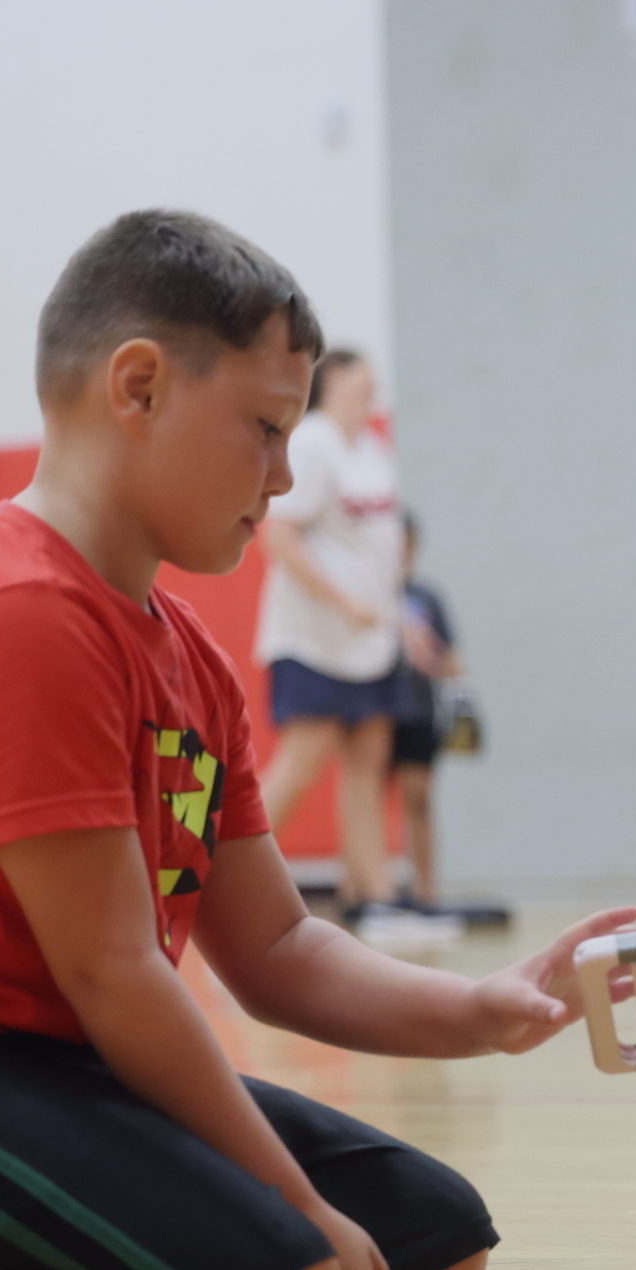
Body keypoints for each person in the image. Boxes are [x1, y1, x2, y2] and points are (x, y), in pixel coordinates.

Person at [0, 210, 636, 1270]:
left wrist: (477, 1009)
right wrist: (298, 1212)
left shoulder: (183, 652)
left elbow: (278, 947)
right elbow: (116, 973)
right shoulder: (17, 615)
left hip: (45, 1068)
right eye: (264, 428)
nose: (286, 475)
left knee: (434, 1249)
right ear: (136, 386)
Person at [252, 346, 411, 936]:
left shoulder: (373, 448)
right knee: (301, 762)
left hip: (372, 643)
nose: (373, 380)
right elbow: (281, 537)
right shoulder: (313, 442)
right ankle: (222, 885)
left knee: (368, 766)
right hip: (316, 640)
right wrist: (344, 602)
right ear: (336, 379)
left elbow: (384, 547)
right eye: (361, 370)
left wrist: (400, 620)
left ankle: (377, 895)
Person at [390, 512, 467, 913]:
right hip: (378, 710)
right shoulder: (367, 595)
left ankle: (426, 889)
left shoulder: (426, 597)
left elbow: (452, 657)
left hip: (419, 711)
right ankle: (365, 886)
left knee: (418, 798)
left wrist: (456, 689)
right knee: (364, 793)